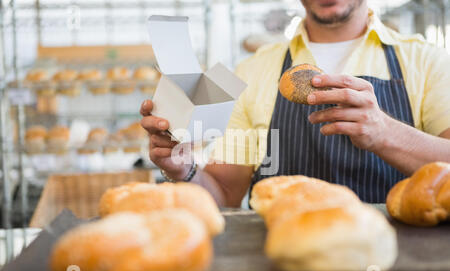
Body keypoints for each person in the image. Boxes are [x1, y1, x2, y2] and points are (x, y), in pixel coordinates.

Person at [140, 0, 450, 207]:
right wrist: (183, 169)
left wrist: (387, 133)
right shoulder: (251, 71)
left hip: (393, 269)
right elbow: (224, 194)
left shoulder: (428, 61)